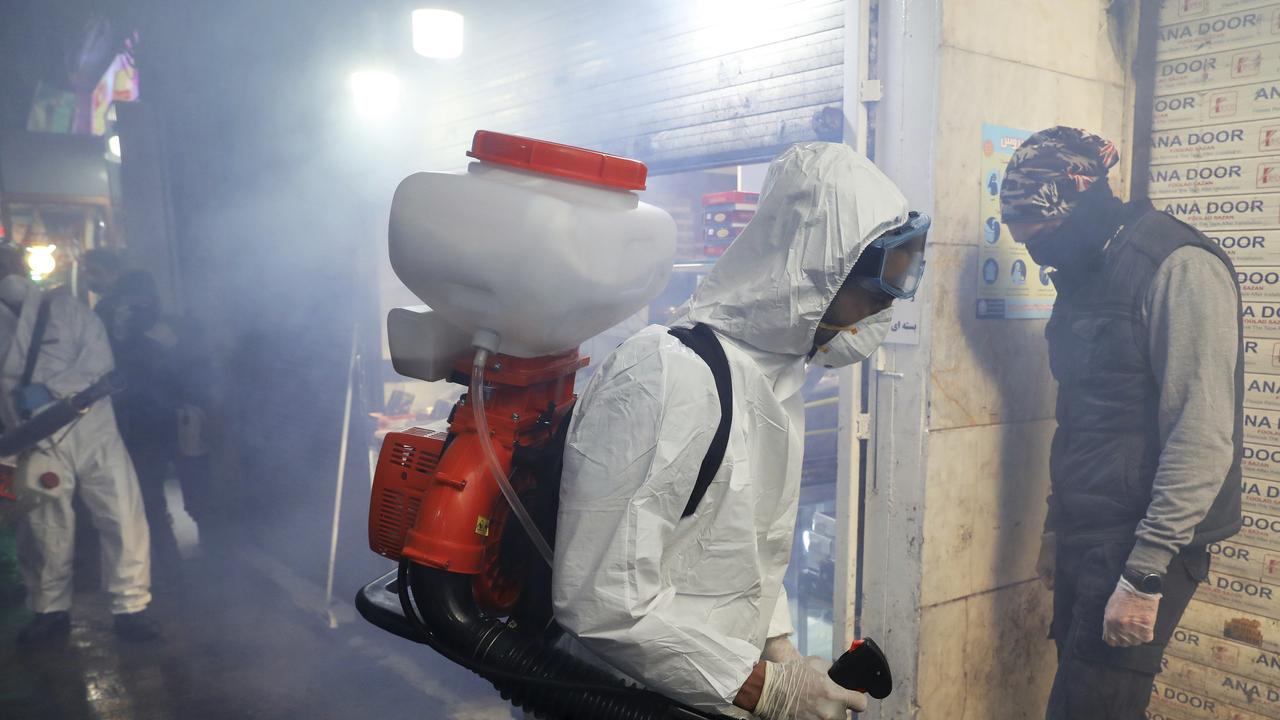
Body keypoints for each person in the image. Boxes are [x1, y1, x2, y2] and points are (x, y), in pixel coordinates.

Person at [553, 143, 928, 719]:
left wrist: (777, 650)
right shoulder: (665, 372)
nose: (877, 313)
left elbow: (741, 550)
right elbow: (602, 603)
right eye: (875, 290)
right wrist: (764, 690)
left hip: (705, 691)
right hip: (620, 697)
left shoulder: (773, 377)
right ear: (814, 269)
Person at [999, 127, 1242, 719]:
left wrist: (1145, 571)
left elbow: (1203, 432)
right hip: (1089, 525)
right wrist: (1058, 524)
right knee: (1081, 695)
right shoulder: (1086, 267)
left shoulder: (1178, 268)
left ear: (1081, 207)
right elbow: (1086, 413)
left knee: (1092, 709)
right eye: (1027, 244)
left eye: (1045, 239)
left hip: (1143, 538)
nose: (1040, 256)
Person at [0, 242, 159, 644]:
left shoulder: (68, 311)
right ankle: (50, 609)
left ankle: (131, 606)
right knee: (43, 527)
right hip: (33, 439)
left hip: (91, 429)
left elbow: (99, 365)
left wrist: (48, 392)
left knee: (121, 515)